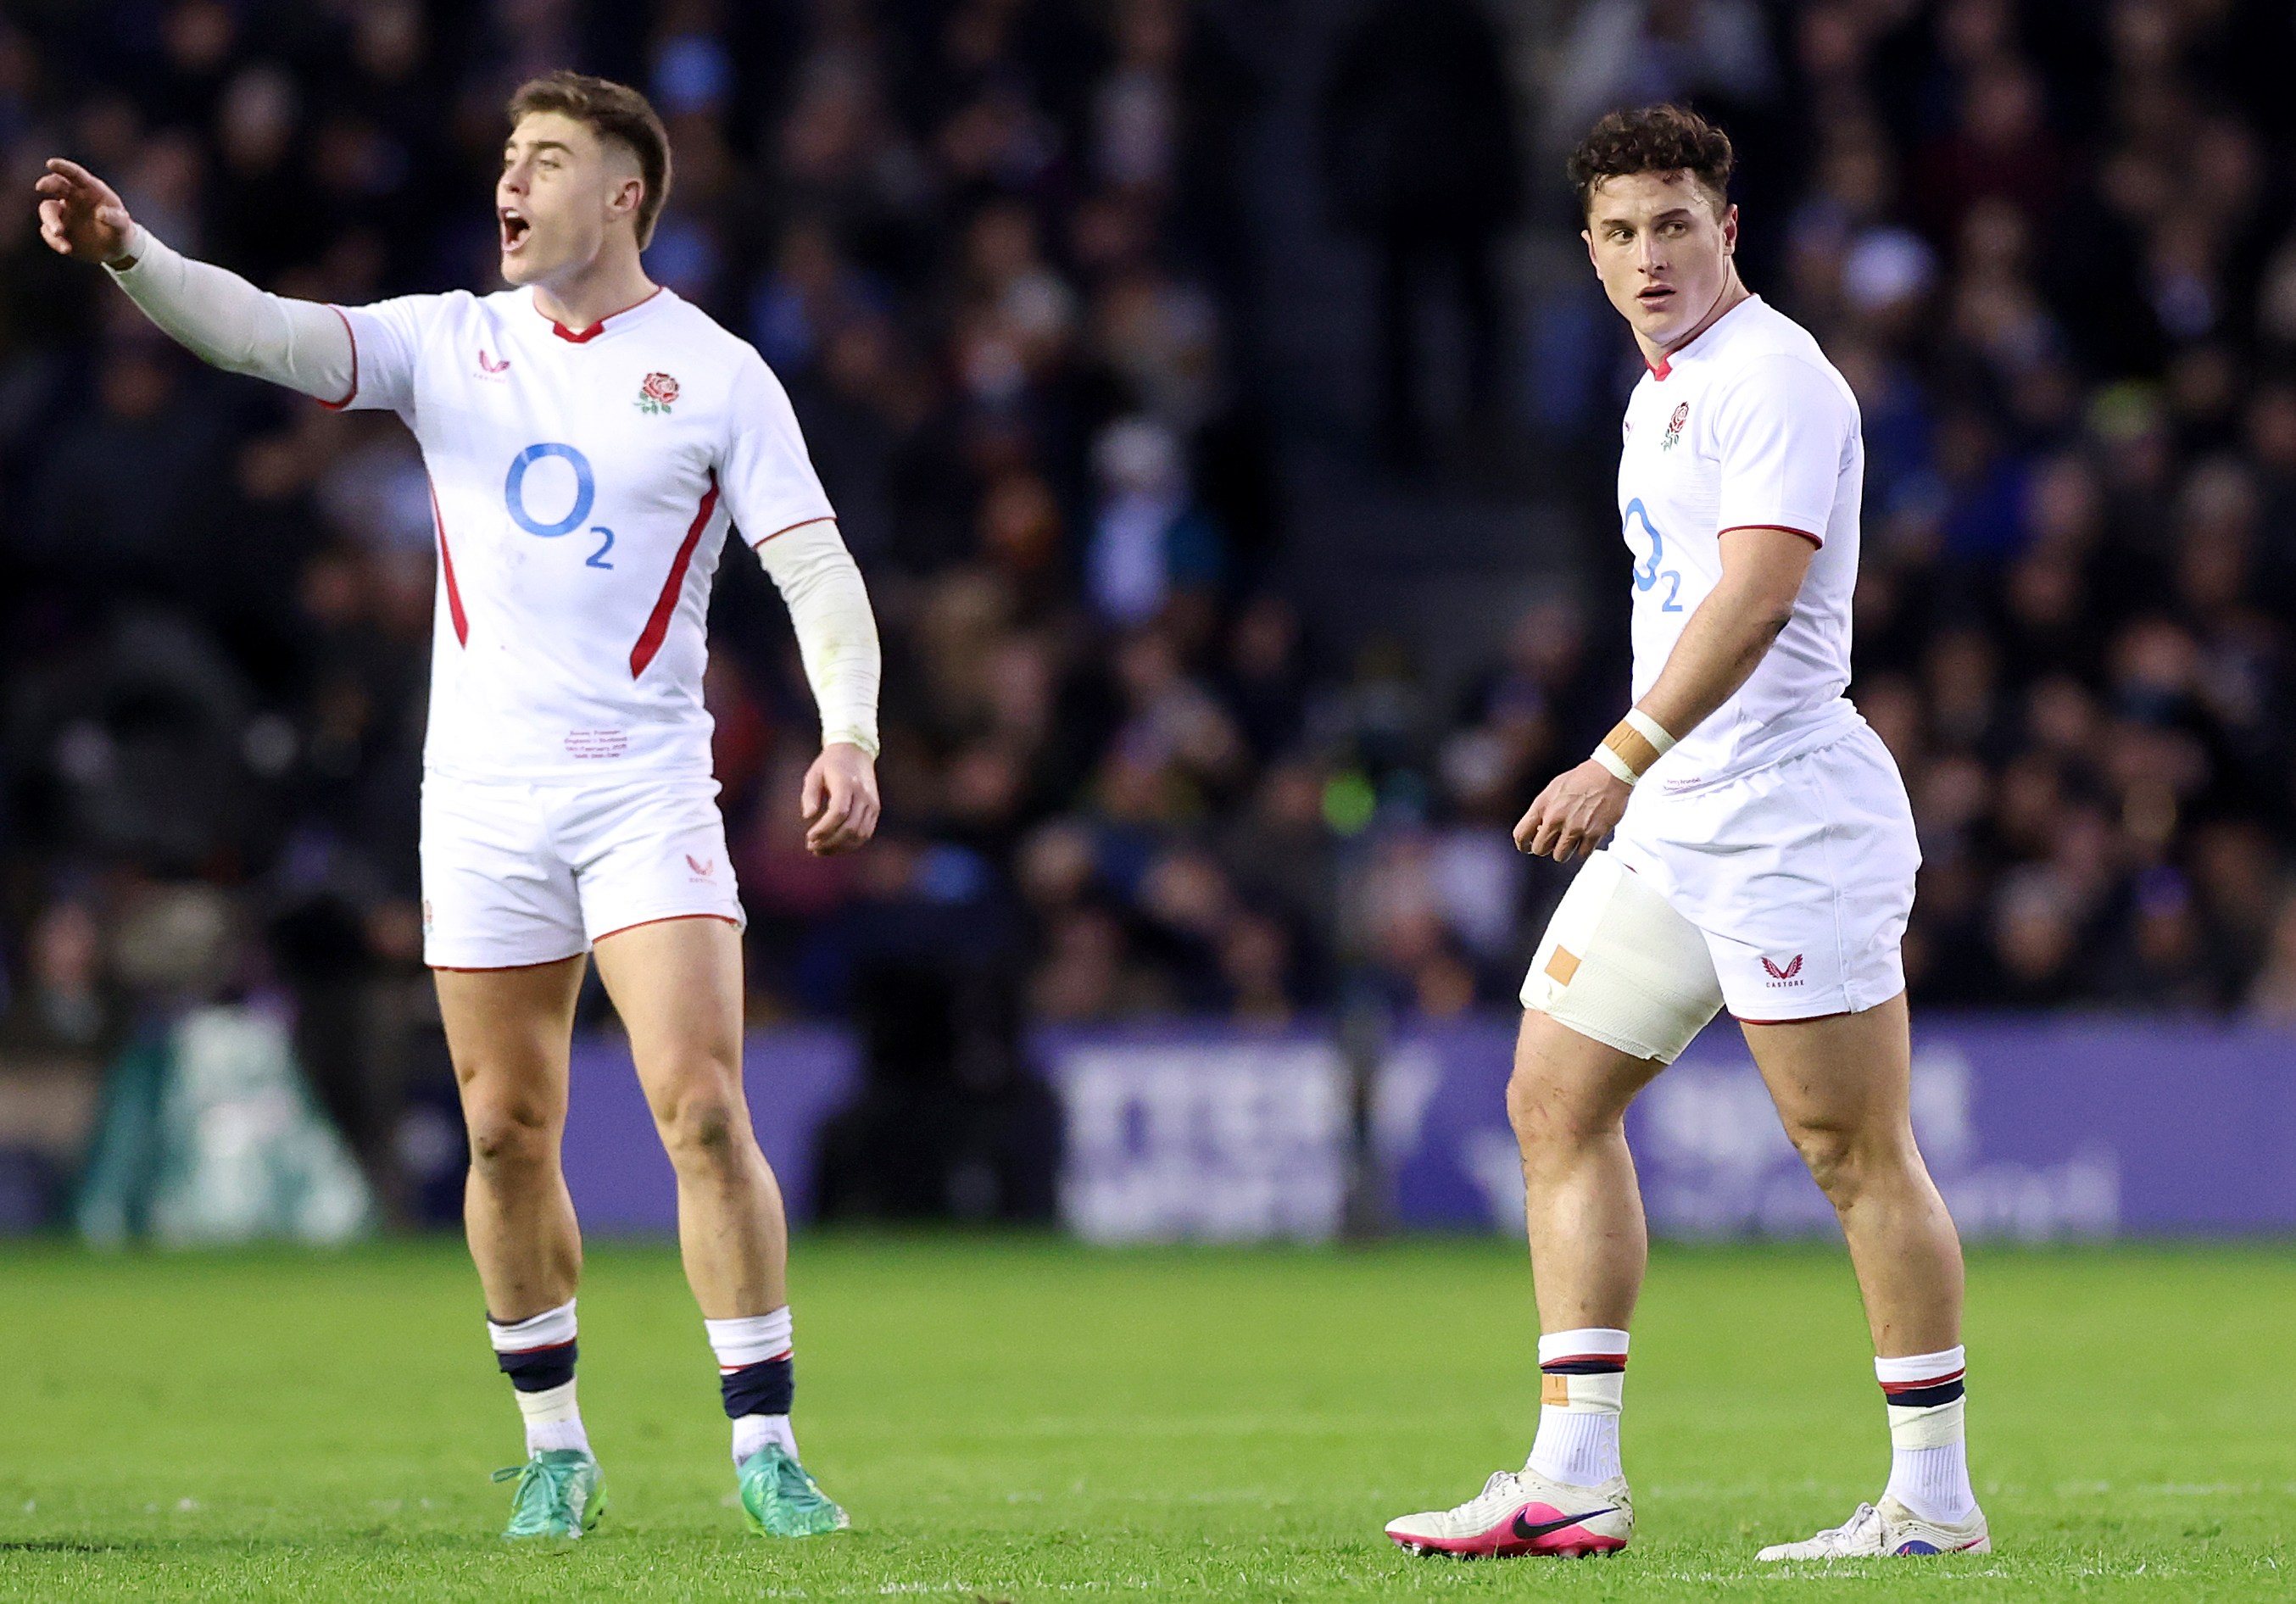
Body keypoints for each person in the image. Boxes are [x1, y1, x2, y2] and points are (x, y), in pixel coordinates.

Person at [36, 71, 882, 1543]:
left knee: (698, 1104)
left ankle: (767, 1449)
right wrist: (132, 252)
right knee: (503, 1131)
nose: (512, 180)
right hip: (484, 801)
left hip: (643, 788)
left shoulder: (718, 370)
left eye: (545, 159)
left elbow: (814, 568)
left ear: (624, 194)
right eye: (505, 156)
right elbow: (266, 332)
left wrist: (852, 733)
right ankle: (555, 1446)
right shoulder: (452, 343)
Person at [1383, 105, 1987, 1562]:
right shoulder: (1664, 386)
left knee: (1854, 1154)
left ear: (1730, 227)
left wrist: (1617, 756)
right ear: (1585, 251)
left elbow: (1759, 595)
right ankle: (1574, 1474)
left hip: (1784, 816)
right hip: (1678, 823)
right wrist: (1646, 779)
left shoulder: (1775, 377)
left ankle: (1932, 1501)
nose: (1647, 255)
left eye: (1672, 223)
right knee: (1553, 1101)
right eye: (1617, 231)